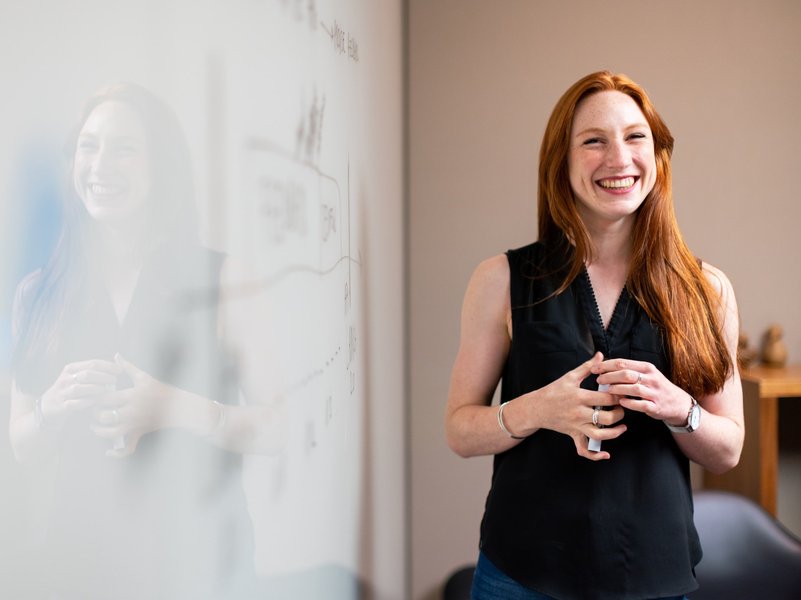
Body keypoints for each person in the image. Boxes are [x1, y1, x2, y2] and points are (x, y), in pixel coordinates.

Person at [445, 71, 744, 600]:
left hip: (654, 578)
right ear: (561, 161)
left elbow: (727, 449)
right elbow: (460, 430)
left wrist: (680, 409)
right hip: (521, 577)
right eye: (594, 141)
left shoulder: (708, 289)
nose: (619, 158)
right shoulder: (501, 279)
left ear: (658, 155)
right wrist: (537, 410)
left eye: (635, 137)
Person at [9, 83, 283, 599]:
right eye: (88, 146)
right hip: (79, 562)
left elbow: (279, 427)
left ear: (163, 169)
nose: (100, 165)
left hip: (201, 562)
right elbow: (20, 444)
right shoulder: (37, 292)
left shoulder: (226, 280)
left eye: (125, 149)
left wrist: (173, 407)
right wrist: (52, 406)